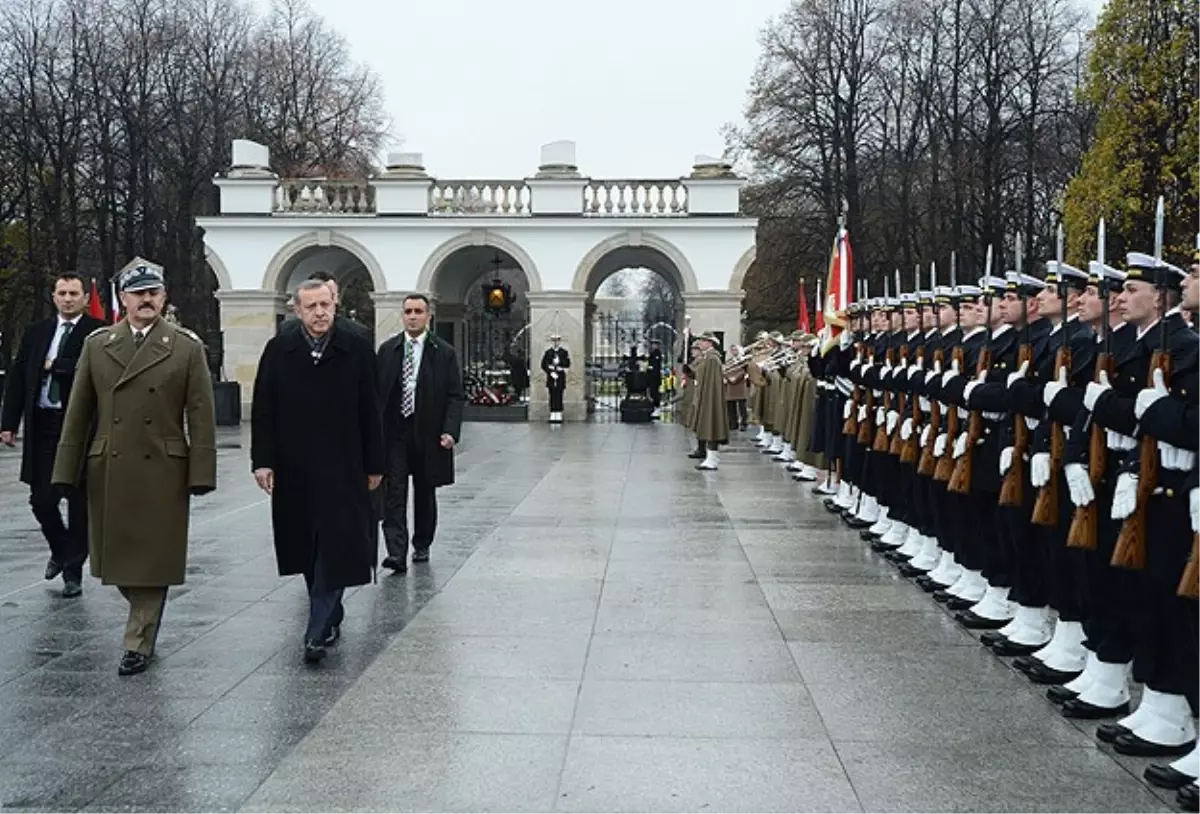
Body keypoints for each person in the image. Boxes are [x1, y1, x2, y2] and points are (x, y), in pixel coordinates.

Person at [51, 257, 216, 676]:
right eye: (138, 293)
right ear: (123, 298)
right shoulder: (98, 345)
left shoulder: (186, 347)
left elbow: (201, 415)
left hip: (162, 468)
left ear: (164, 297)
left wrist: (201, 473)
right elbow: (78, 412)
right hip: (111, 464)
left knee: (153, 558)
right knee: (116, 562)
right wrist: (64, 469)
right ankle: (144, 620)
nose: (146, 300)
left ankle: (137, 641)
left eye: (153, 292)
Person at [251, 279, 384, 664]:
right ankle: (329, 609)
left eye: (325, 304)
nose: (320, 313)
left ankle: (316, 628)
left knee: (336, 541)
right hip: (295, 465)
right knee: (307, 546)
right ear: (297, 310)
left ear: (335, 304)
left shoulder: (356, 346)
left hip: (345, 463)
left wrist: (374, 464)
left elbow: (370, 409)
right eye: (311, 306)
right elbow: (264, 408)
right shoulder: (280, 348)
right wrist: (263, 460)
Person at [1, 272, 105, 597]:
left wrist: (57, 365)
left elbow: (98, 373)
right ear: (54, 296)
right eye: (62, 292)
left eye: (74, 293)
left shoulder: (97, 333)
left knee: (78, 500)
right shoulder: (36, 333)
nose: (68, 298)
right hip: (43, 424)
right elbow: (19, 378)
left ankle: (73, 572)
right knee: (41, 499)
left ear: (85, 298)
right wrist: (8, 422)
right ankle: (61, 550)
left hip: (80, 427)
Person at [376, 294, 464, 572]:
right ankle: (396, 551)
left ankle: (422, 543)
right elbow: (376, 394)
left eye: (418, 311)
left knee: (425, 491)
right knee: (394, 491)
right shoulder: (388, 350)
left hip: (428, 431)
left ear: (428, 316)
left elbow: (454, 395)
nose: (412, 316)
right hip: (396, 432)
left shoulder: (444, 352)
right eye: (408, 311)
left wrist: (450, 431)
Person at [277, 271, 370, 341]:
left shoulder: (357, 332)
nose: (319, 312)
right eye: (312, 305)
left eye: (333, 295)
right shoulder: (287, 329)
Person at [689, 332, 729, 470]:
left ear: (710, 343)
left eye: (703, 341)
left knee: (711, 427)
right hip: (706, 395)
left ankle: (712, 459)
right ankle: (710, 457)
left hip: (710, 397)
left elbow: (711, 381)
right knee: (707, 427)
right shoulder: (708, 357)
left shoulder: (712, 359)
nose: (700, 343)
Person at [541, 333, 570, 423]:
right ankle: (552, 412)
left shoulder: (564, 352)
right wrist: (550, 372)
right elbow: (543, 364)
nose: (555, 342)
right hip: (551, 376)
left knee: (559, 395)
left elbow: (567, 364)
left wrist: (560, 362)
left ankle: (559, 413)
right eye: (553, 341)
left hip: (560, 376)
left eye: (557, 340)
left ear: (559, 341)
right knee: (552, 395)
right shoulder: (548, 352)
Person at [724, 343, 748, 431]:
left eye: (735, 349)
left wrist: (736, 378)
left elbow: (744, 370)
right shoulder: (729, 361)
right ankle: (733, 423)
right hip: (730, 385)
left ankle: (744, 423)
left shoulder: (743, 360)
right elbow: (725, 370)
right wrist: (728, 378)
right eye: (732, 350)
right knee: (731, 406)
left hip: (740, 384)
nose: (734, 351)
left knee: (742, 407)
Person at [647, 340, 664, 416]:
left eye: (655, 344)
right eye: (652, 344)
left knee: (655, 393)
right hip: (651, 377)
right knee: (652, 393)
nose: (653, 346)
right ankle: (654, 407)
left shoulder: (657, 353)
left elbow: (656, 366)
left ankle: (657, 407)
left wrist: (650, 368)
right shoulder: (652, 353)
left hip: (655, 377)